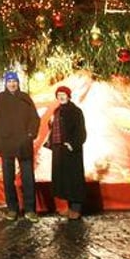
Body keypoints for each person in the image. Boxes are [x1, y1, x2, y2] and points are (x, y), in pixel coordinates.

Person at [0, 70, 40, 222]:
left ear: (18, 83)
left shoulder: (25, 98)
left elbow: (35, 119)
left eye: (14, 81)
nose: (12, 84)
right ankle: (12, 209)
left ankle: (30, 210)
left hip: (24, 144)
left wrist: (31, 134)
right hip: (6, 143)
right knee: (8, 178)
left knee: (28, 179)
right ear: (5, 83)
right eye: (9, 81)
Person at [48, 85, 86, 220]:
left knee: (73, 178)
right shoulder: (57, 111)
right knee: (64, 180)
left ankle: (76, 208)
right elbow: (54, 128)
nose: (61, 97)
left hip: (70, 149)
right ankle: (69, 207)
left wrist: (73, 144)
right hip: (59, 149)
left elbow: (81, 131)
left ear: (69, 96)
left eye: (63, 94)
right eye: (59, 95)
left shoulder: (75, 111)